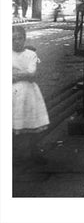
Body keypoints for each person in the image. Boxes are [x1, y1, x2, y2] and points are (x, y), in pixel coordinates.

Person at [12, 25, 49, 165]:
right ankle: (14, 154)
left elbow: (32, 73)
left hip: (29, 93)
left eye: (20, 38)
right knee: (13, 122)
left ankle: (35, 151)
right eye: (13, 39)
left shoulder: (31, 54)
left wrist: (16, 74)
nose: (17, 41)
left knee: (33, 122)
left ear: (24, 39)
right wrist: (24, 74)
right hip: (12, 95)